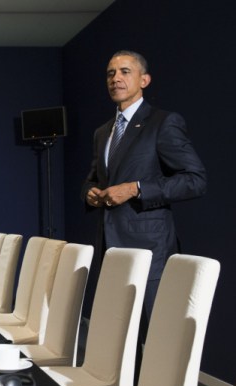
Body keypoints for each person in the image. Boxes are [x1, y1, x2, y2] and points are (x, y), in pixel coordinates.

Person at [82, 50, 207, 340]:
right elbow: (91, 179)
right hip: (110, 251)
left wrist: (136, 188)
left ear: (144, 79)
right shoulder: (103, 132)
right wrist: (89, 192)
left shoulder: (163, 122)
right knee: (118, 341)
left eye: (125, 71)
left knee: (154, 340)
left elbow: (195, 180)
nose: (116, 79)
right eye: (111, 73)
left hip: (150, 252)